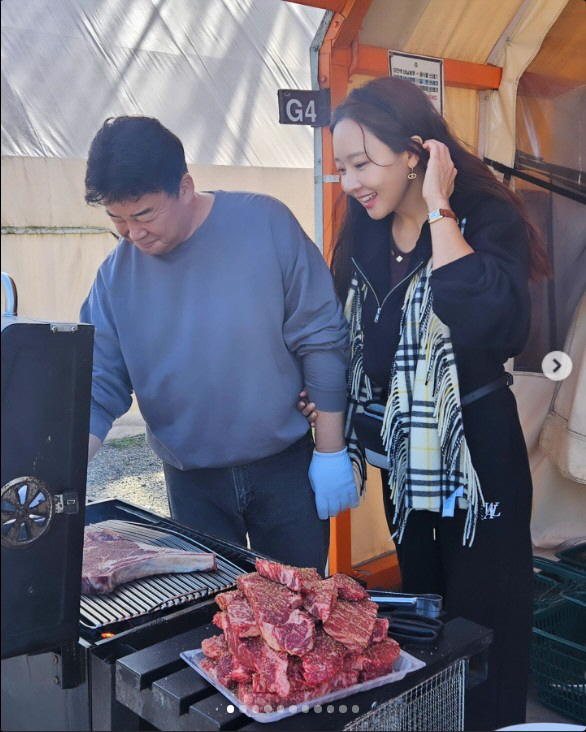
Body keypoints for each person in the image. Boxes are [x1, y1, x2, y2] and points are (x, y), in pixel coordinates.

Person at [299, 77, 551, 730]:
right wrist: (332, 407)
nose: (351, 181)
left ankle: (493, 722)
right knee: (428, 614)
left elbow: (493, 325)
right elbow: (348, 335)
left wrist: (440, 211)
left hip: (477, 456)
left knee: (486, 620)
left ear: (415, 153)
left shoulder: (483, 218)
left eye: (363, 163)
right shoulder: (363, 231)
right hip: (409, 465)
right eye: (342, 167)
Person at [81, 115, 359, 577]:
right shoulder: (115, 278)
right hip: (193, 484)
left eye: (144, 214)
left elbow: (322, 337)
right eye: (118, 220)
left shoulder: (265, 223)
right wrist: (60, 474)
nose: (133, 233)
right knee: (214, 623)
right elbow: (96, 385)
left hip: (284, 470)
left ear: (185, 187)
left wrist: (330, 452)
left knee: (298, 611)